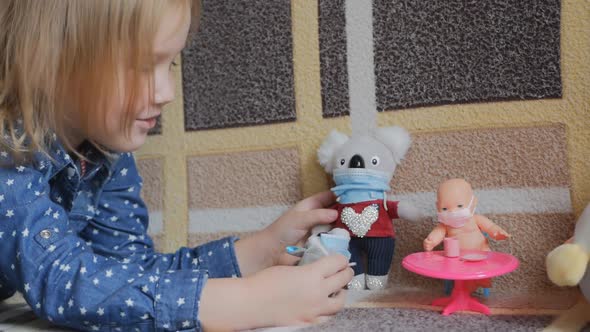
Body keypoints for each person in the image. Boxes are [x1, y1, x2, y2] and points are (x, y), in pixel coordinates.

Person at [0, 1, 353, 331]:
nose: (166, 92)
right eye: (141, 66)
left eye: (169, 63)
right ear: (52, 59)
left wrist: (258, 252)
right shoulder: (7, 146)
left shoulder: (104, 150)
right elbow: (60, 283)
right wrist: (248, 301)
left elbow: (125, 271)